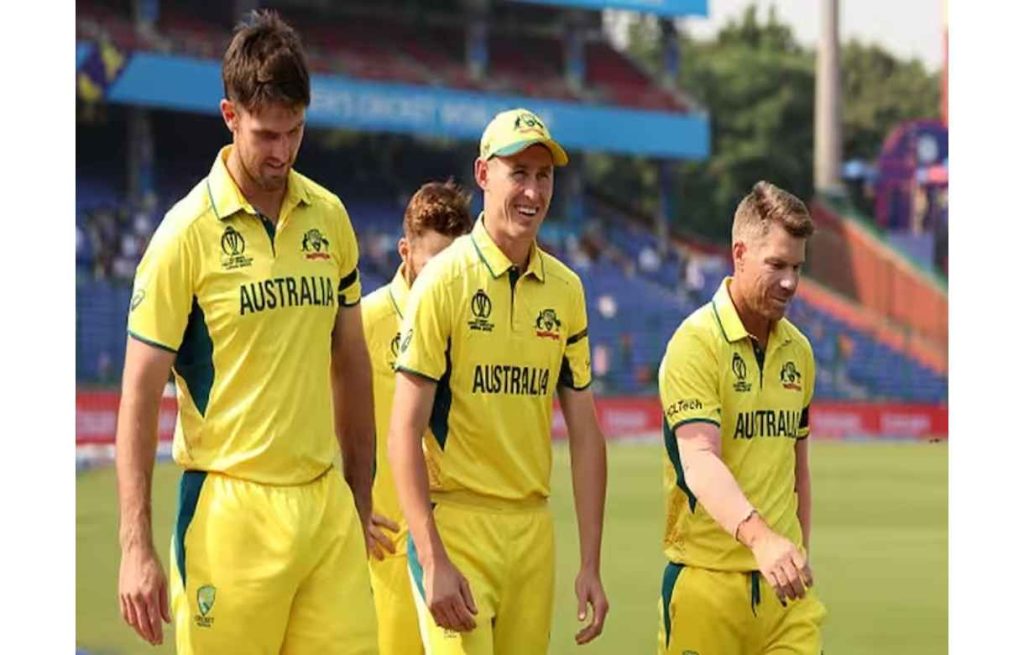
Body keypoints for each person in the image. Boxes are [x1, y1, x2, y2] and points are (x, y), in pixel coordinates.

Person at [115, 11, 378, 654]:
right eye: (266, 134)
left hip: (325, 513)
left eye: (295, 131)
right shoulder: (183, 236)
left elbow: (351, 360)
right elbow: (139, 395)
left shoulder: (331, 217)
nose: (282, 152)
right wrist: (135, 548)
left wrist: (359, 495)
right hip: (229, 514)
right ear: (230, 116)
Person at [388, 108, 610, 655]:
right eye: (519, 173)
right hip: (457, 525)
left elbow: (585, 432)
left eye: (544, 175)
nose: (533, 191)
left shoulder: (566, 290)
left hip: (532, 531)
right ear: (484, 174)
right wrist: (433, 557)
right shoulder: (442, 282)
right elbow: (403, 432)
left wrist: (590, 562)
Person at [656, 181, 826, 654]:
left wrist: (795, 553)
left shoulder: (800, 351)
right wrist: (762, 541)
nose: (790, 282)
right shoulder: (695, 344)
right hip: (707, 587)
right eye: (776, 265)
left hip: (785, 599)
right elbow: (700, 461)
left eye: (797, 267)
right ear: (739, 254)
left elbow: (797, 471)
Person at [361, 180, 474, 655]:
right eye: (431, 268)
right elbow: (317, 418)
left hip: (466, 545)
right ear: (405, 251)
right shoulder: (365, 323)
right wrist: (352, 505)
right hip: (388, 548)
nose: (440, 284)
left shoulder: (473, 324)